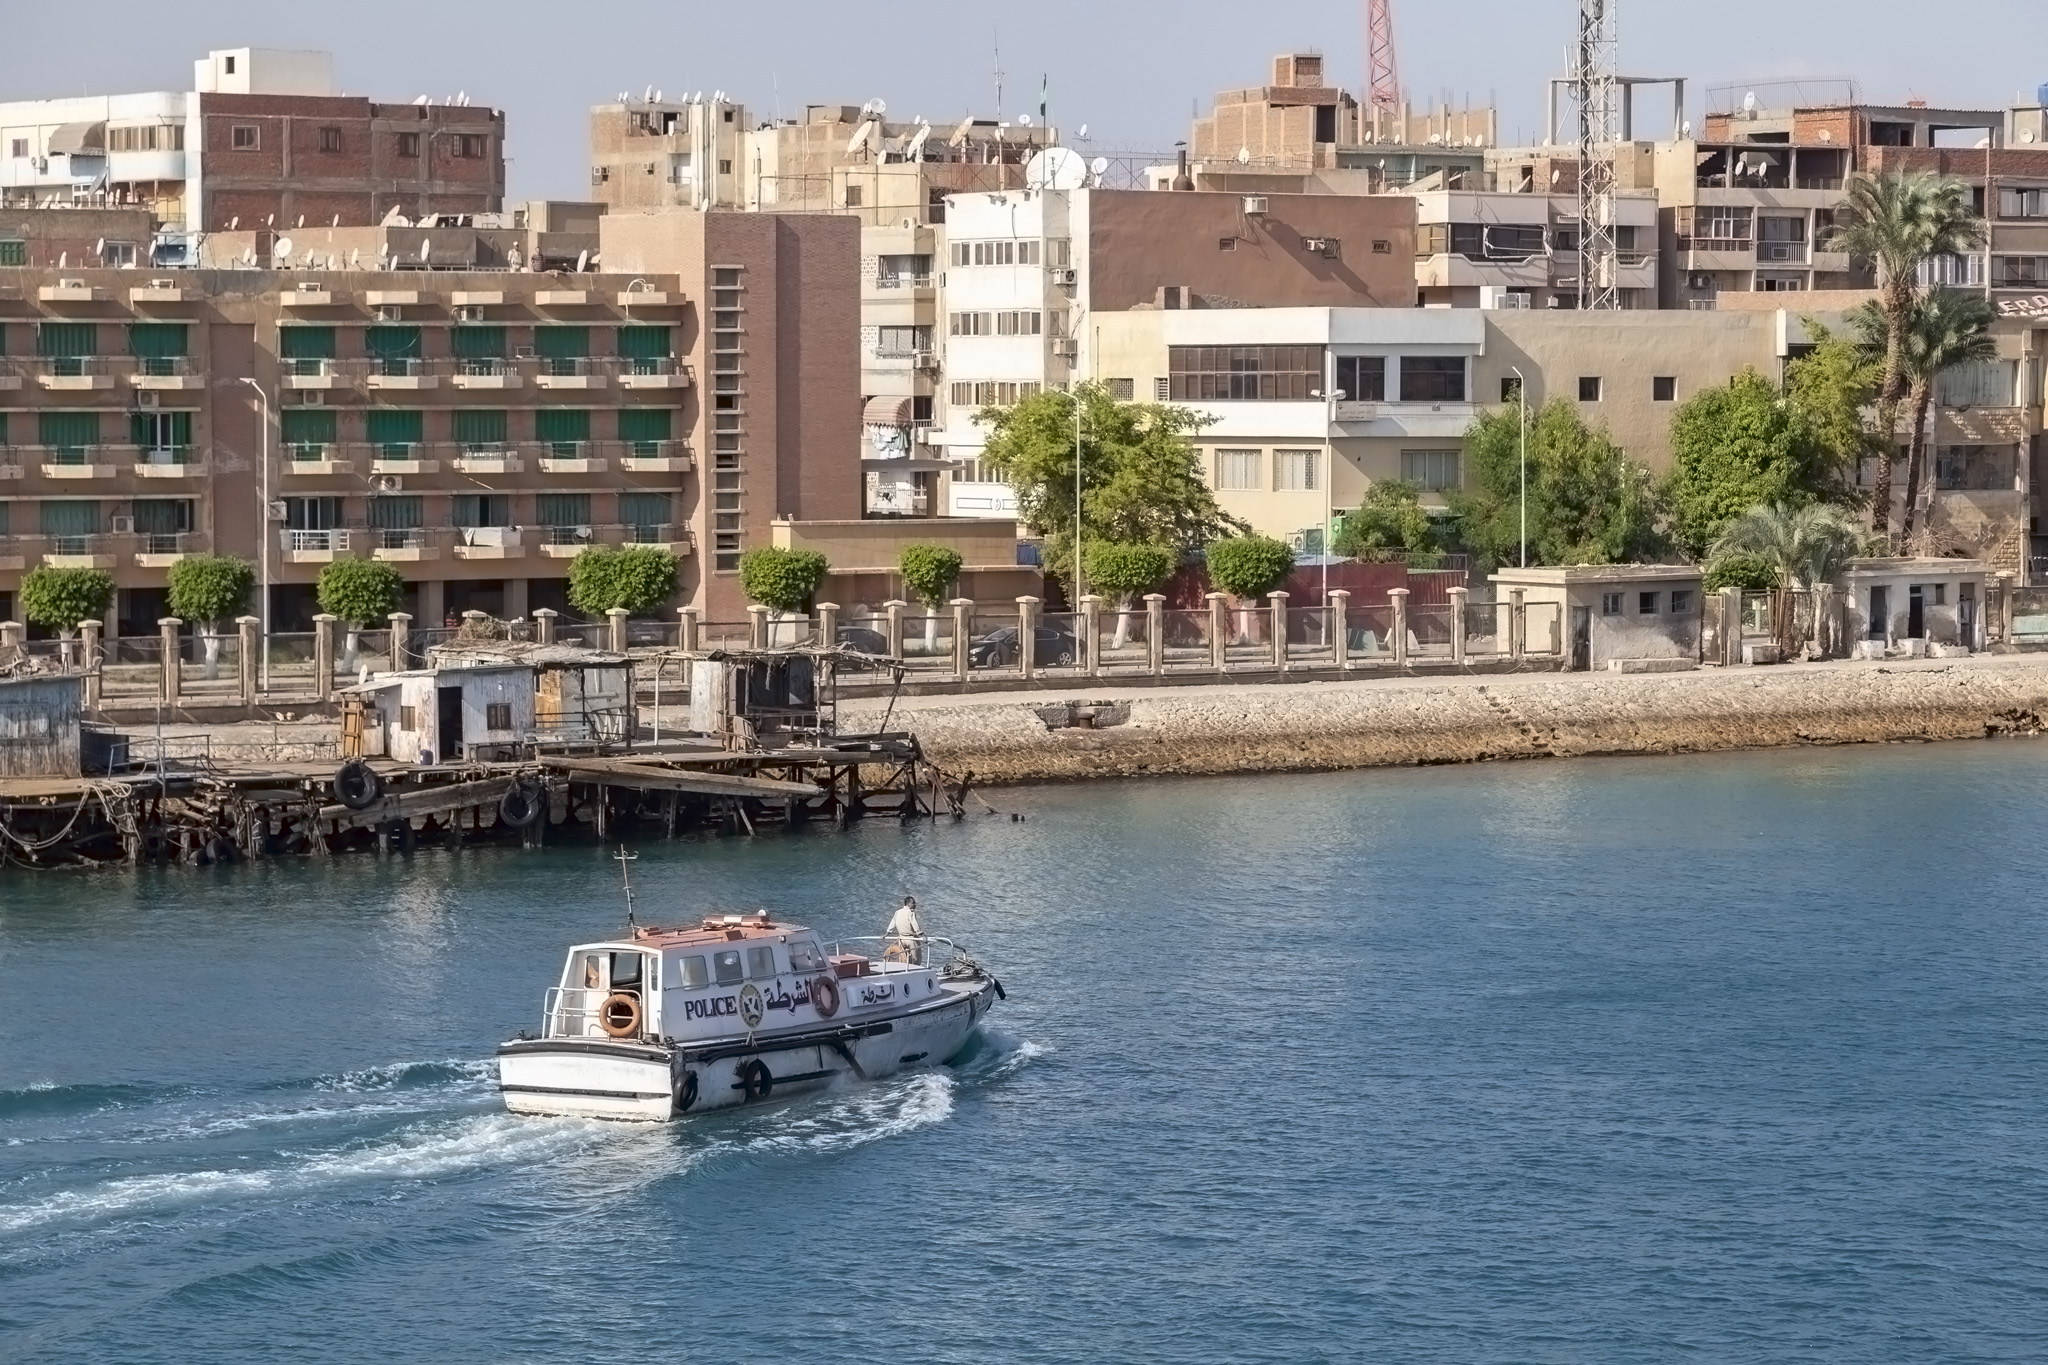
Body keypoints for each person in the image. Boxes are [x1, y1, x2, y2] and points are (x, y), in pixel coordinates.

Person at [885, 895, 924, 963]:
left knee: (904, 958)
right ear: (908, 904)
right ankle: (915, 970)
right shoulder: (911, 913)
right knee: (916, 958)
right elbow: (915, 925)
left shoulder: (897, 912)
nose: (915, 905)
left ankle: (904, 969)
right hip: (911, 939)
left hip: (901, 939)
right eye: (913, 903)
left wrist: (886, 934)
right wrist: (923, 935)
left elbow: (892, 924)